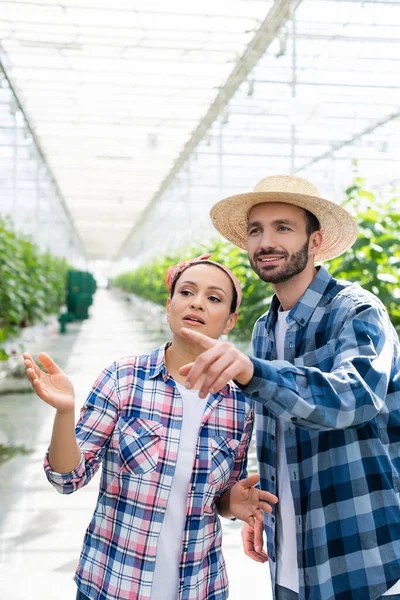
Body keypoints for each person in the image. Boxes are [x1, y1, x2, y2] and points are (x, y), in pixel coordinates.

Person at [178, 175, 400, 600]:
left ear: (315, 241)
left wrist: (252, 372)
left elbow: (352, 399)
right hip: (292, 556)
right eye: (256, 230)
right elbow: (283, 431)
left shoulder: (356, 311)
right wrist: (262, 505)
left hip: (361, 552)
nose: (266, 242)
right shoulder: (265, 327)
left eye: (283, 228)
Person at [23, 254, 278, 600]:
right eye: (186, 292)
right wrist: (65, 413)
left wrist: (234, 502)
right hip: (113, 584)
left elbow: (218, 497)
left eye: (214, 298)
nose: (197, 303)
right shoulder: (124, 379)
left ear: (230, 320)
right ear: (169, 304)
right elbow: (68, 478)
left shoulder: (239, 404)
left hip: (200, 586)